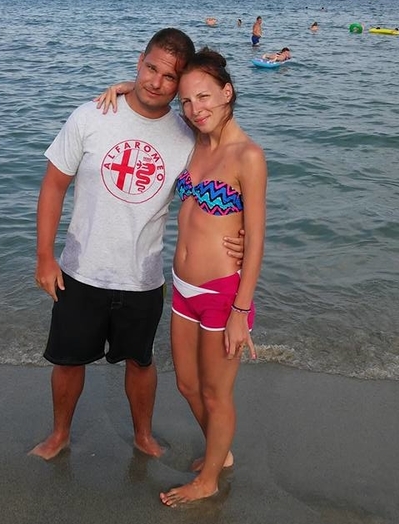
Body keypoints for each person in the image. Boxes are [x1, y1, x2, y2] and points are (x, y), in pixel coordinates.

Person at [30, 29, 244, 462]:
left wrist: (239, 237)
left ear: (180, 84)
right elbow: (53, 186)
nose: (156, 82)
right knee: (68, 361)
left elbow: (227, 164)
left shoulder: (187, 134)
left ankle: (143, 436)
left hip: (143, 276)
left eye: (170, 77)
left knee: (141, 362)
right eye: (150, 69)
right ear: (139, 61)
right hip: (80, 270)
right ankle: (59, 435)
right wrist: (44, 256)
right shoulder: (91, 116)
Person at [158, 48, 267, 506]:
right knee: (186, 384)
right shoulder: (195, 140)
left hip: (223, 295)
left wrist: (241, 311)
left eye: (203, 97)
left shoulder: (248, 156)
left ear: (227, 93)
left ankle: (209, 481)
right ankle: (219, 454)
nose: (194, 108)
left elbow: (256, 240)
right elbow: (151, 105)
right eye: (186, 100)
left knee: (215, 393)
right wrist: (125, 88)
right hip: (183, 288)